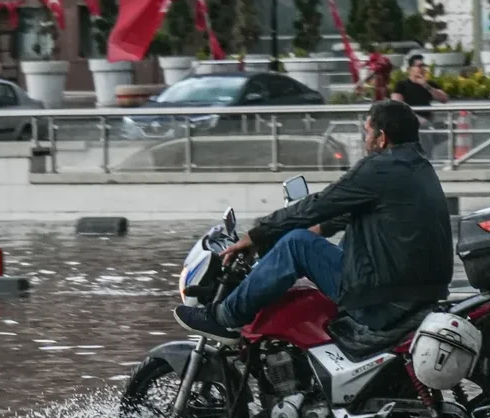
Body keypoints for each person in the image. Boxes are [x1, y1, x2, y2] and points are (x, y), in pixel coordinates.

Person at [175, 99, 453, 342]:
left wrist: (257, 235)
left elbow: (319, 203)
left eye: (366, 133)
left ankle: (224, 316)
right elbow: (350, 210)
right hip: (420, 295)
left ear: (382, 138)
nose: (364, 141)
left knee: (296, 244)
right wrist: (316, 231)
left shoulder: (379, 167)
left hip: (384, 302)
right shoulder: (419, 167)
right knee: (320, 239)